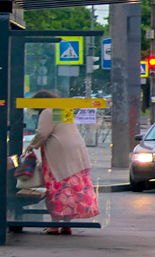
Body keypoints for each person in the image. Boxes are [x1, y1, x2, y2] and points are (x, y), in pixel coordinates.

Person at [23, 90, 99, 234]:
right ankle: (66, 224)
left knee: (57, 190)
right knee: (70, 191)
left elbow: (42, 133)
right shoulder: (62, 109)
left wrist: (32, 145)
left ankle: (54, 225)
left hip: (59, 156)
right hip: (76, 153)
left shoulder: (46, 112)